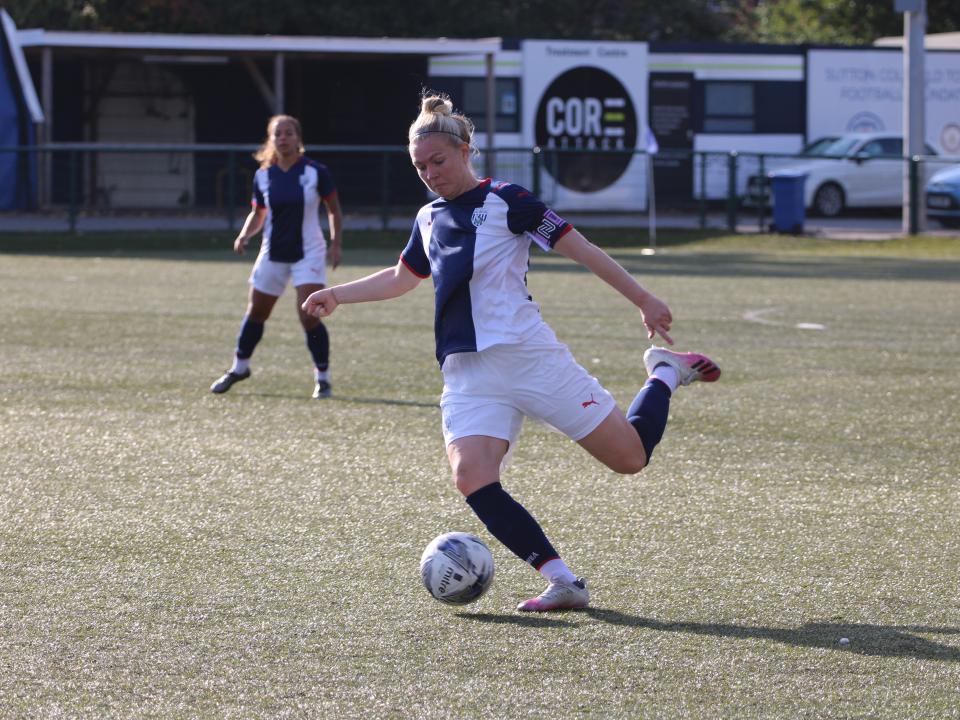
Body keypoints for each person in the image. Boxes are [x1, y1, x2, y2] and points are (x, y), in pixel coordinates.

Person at [302, 93, 720, 612]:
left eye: (438, 161)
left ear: (465, 151)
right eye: (420, 167)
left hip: (528, 357)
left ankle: (664, 373)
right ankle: (563, 581)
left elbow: (582, 249)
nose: (430, 174)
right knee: (471, 476)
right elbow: (402, 277)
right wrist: (336, 294)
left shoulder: (508, 199)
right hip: (467, 373)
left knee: (630, 458)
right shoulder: (428, 217)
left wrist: (643, 299)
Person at [211, 114, 343, 399]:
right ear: (271, 140)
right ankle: (239, 368)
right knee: (256, 312)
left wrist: (336, 243)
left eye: (288, 133)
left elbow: (333, 209)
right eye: (277, 134)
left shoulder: (316, 172)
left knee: (309, 315)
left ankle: (323, 378)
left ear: (298, 138)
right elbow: (258, 212)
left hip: (308, 253)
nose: (283, 138)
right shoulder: (263, 175)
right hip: (272, 252)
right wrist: (245, 234)